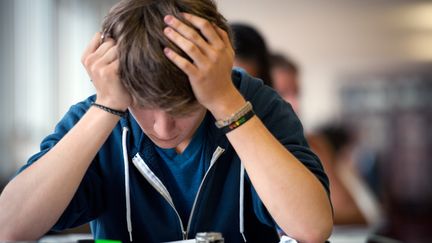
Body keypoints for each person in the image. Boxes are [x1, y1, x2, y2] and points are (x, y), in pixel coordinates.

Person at [0, 0, 333, 242]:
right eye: (142, 105)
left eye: (182, 108)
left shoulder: (256, 105)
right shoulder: (100, 111)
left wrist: (224, 102)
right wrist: (107, 108)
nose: (162, 128)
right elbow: (8, 226)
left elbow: (312, 228)